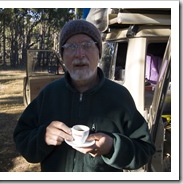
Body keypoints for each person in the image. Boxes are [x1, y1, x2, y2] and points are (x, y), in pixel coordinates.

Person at [13, 19, 155, 172]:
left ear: (99, 53)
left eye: (87, 45)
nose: (79, 54)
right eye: (71, 47)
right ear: (62, 55)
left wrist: (112, 146)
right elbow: (22, 137)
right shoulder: (49, 94)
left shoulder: (119, 96)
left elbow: (145, 149)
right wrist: (42, 138)